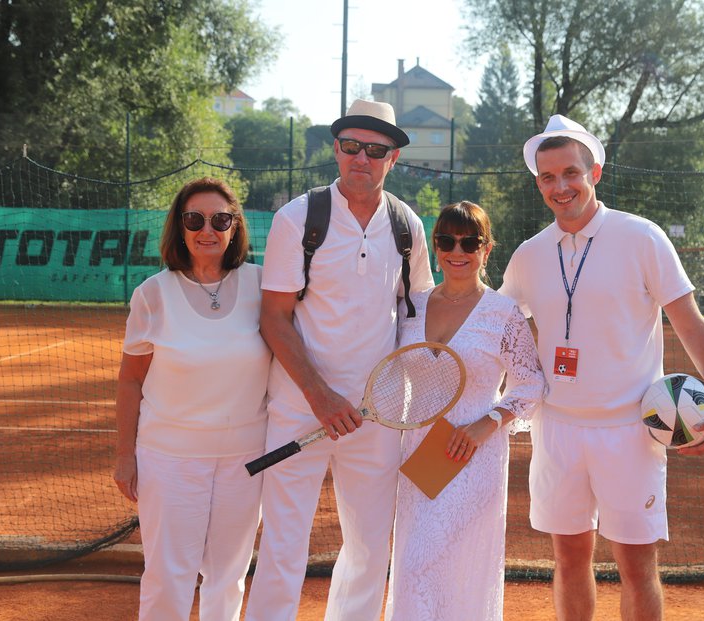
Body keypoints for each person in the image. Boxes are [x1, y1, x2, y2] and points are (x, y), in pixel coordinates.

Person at [500, 115, 704, 620]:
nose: (560, 187)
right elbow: (496, 331)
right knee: (568, 560)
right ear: (538, 183)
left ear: (596, 173)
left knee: (636, 565)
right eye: (548, 177)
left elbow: (690, 323)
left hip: (631, 431)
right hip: (556, 430)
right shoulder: (529, 255)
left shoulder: (642, 238)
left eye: (571, 173)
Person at [245, 99, 434, 621]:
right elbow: (274, 318)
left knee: (371, 548)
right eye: (352, 146)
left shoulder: (407, 225)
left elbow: (417, 312)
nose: (362, 159)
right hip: (298, 408)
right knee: (284, 545)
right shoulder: (297, 218)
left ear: (392, 159)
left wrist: (410, 388)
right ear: (336, 150)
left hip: (377, 416)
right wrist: (320, 397)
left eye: (376, 150)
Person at [113, 177, 271, 621]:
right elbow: (130, 382)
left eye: (221, 219)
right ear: (179, 228)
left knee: (228, 574)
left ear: (235, 226)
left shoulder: (263, 286)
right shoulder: (152, 294)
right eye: (194, 219)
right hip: (170, 459)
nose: (208, 229)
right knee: (168, 573)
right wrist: (126, 455)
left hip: (245, 460)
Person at [384, 201, 546, 621]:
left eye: (470, 241)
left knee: (443, 562)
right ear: (435, 247)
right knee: (413, 564)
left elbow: (530, 383)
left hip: (475, 457)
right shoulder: (410, 306)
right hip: (419, 455)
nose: (457, 250)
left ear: (487, 249)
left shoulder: (503, 313)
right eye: (446, 240)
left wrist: (484, 425)